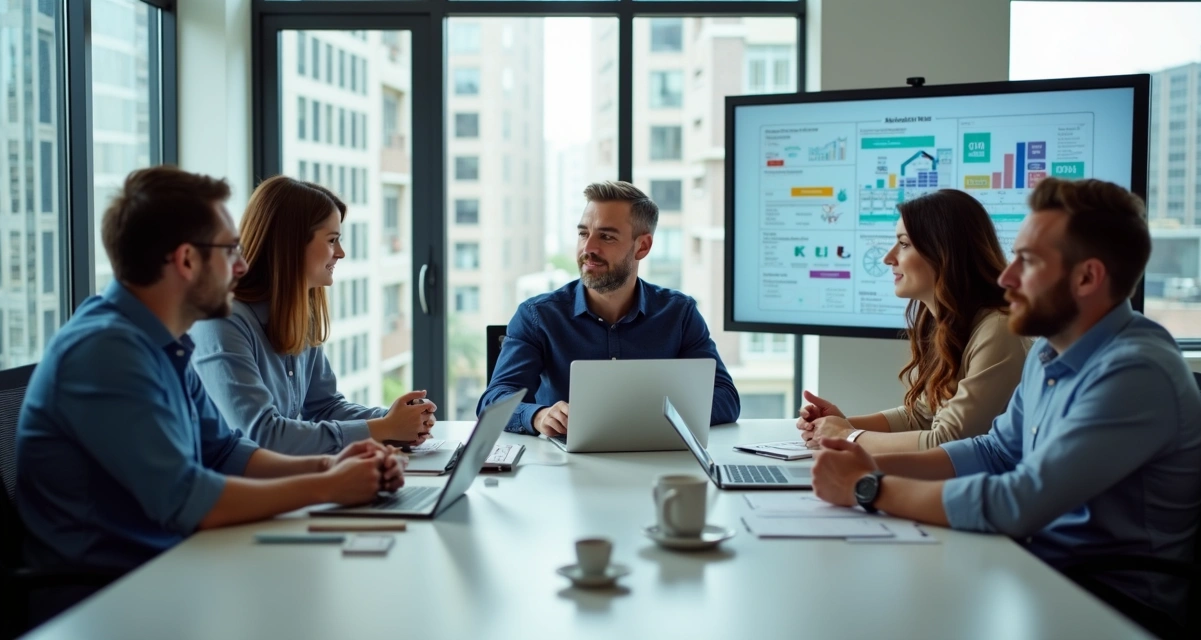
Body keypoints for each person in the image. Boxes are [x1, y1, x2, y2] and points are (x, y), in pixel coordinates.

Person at [810, 177, 1201, 628]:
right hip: (1040, 566)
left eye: (1028, 261)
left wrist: (868, 488)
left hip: (1109, 602)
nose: (1005, 277)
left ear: (1087, 277)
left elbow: (1019, 502)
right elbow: (994, 451)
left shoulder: (1135, 373)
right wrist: (872, 463)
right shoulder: (1049, 350)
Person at [16, 167, 402, 620]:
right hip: (105, 601)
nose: (242, 266)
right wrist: (326, 485)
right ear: (186, 260)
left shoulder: (162, 343)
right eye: (230, 250)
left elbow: (227, 453)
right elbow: (189, 500)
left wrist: (331, 463)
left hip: (168, 570)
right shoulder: (106, 351)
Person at [190, 175, 436, 456]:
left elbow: (324, 407)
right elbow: (263, 435)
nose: (341, 253)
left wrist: (399, 418)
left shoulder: (296, 313)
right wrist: (384, 428)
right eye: (332, 240)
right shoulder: (222, 321)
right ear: (291, 244)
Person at [477, 180, 740, 436]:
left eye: (606, 236)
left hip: (656, 464)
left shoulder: (679, 314)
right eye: (583, 233)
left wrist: (647, 417)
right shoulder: (537, 316)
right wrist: (538, 416)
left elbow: (726, 398)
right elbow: (494, 401)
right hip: (563, 469)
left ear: (643, 246)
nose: (588, 248)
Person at [797, 190, 1032, 454]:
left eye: (904, 244)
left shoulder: (998, 330)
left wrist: (849, 436)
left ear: (944, 252)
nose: (888, 257)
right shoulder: (946, 324)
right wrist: (839, 425)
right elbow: (920, 418)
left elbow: (947, 440)